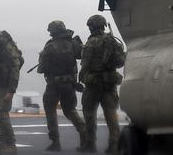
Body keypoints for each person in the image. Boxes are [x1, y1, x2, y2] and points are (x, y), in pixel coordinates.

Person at [38, 20, 87, 151]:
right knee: (70, 109)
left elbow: (41, 68)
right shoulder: (73, 43)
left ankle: (55, 141)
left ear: (52, 32)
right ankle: (84, 132)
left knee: (50, 110)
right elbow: (83, 54)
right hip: (70, 84)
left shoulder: (50, 47)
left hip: (54, 84)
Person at [79, 15, 125, 154]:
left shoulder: (91, 42)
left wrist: (81, 77)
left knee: (89, 113)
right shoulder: (112, 41)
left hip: (93, 83)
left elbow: (85, 63)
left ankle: (90, 143)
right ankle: (114, 145)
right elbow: (121, 61)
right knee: (111, 113)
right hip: (110, 82)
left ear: (92, 26)